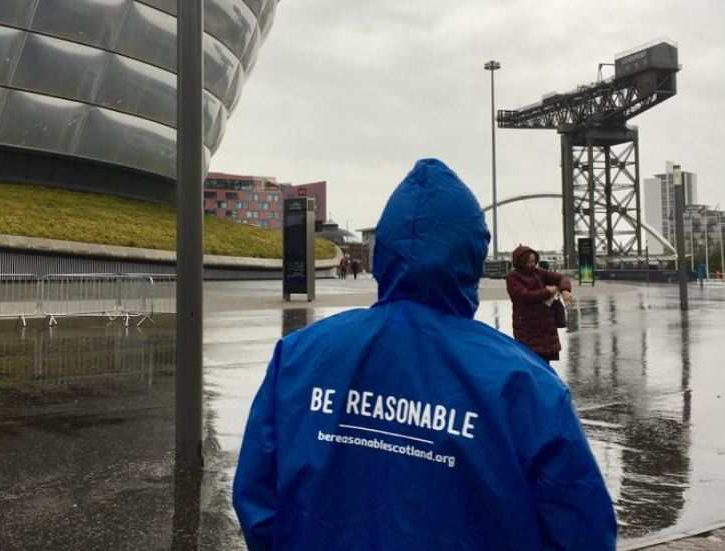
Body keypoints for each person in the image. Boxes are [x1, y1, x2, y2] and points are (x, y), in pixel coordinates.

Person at [233, 159, 616, 550]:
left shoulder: (299, 356)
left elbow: (257, 500)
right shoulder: (526, 384)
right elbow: (581, 528)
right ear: (470, 254)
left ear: (383, 251)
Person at [506, 246, 574, 363]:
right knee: (531, 362)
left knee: (545, 363)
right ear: (520, 262)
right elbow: (524, 295)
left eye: (534, 261)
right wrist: (548, 292)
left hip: (545, 327)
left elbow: (561, 278)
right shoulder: (513, 277)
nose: (533, 265)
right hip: (527, 326)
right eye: (529, 262)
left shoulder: (539, 273)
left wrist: (565, 290)